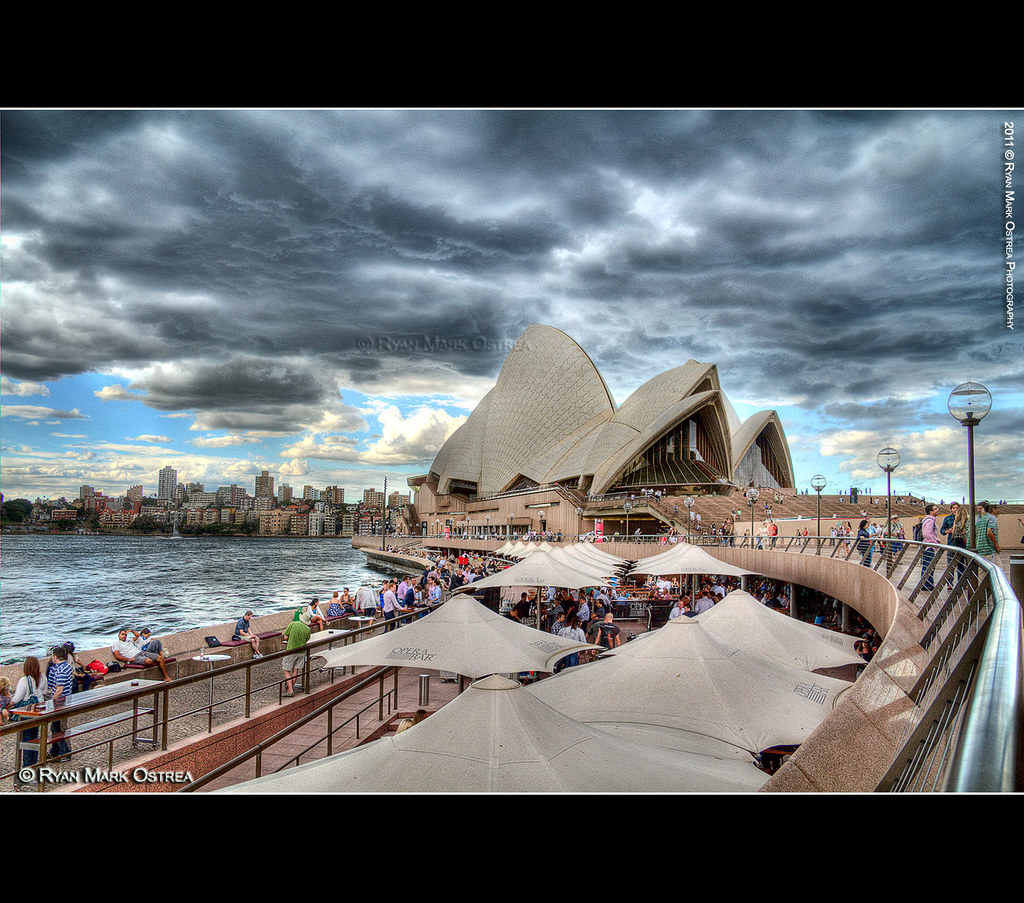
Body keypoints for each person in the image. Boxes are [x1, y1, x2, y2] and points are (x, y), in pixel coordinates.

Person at [9, 656, 47, 770]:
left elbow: (17, 698)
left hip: (27, 712)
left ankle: (26, 766)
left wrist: (8, 703)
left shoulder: (24, 680)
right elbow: (45, 691)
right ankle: (34, 763)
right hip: (40, 708)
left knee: (26, 737)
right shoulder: (43, 677)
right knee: (35, 736)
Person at [46, 644, 76, 759]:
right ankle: (55, 751)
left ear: (55, 656)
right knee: (57, 727)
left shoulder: (61, 670)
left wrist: (51, 702)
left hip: (59, 702)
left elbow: (59, 689)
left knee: (57, 728)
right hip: (66, 699)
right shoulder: (68, 666)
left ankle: (65, 752)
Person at [281, 612, 311, 697]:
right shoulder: (307, 629)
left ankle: (290, 690)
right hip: (301, 652)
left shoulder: (293, 624)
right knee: (295, 670)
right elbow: (307, 639)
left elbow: (285, 637)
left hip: (291, 650)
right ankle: (291, 687)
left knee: (287, 670)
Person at [921, 504, 940, 590]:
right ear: (930, 512)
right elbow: (927, 533)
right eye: (935, 509)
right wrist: (934, 541)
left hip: (928, 546)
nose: (937, 510)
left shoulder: (928, 520)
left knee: (928, 565)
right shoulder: (930, 521)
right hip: (929, 546)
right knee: (929, 566)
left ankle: (928, 583)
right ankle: (926, 584)